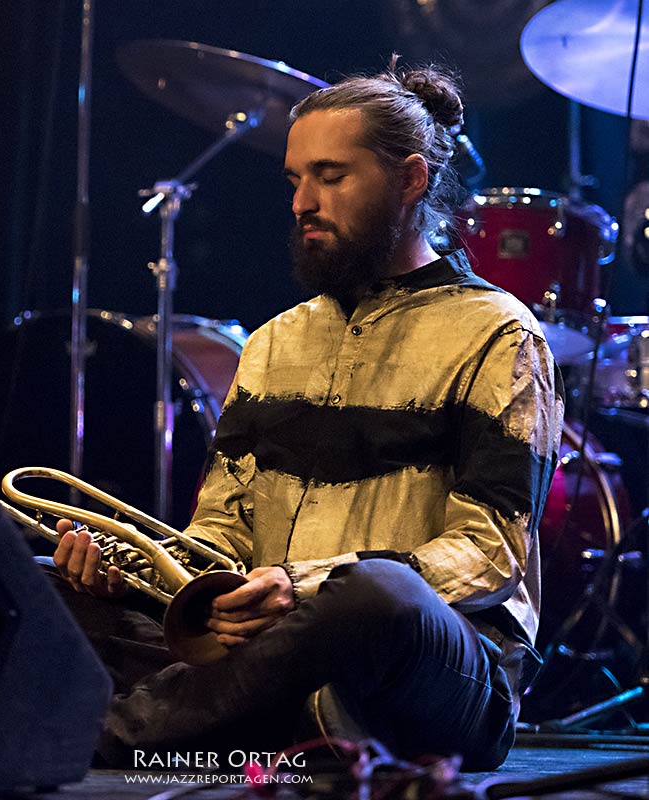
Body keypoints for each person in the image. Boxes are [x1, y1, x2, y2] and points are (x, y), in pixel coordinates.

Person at [48, 58, 564, 772]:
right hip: (273, 648)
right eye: (294, 179)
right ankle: (273, 722)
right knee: (47, 580)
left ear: (410, 180)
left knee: (378, 597)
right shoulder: (273, 342)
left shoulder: (499, 334)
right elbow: (221, 530)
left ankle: (122, 731)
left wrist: (304, 585)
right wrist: (135, 573)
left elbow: (487, 555)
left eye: (330, 175)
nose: (301, 202)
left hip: (429, 664)